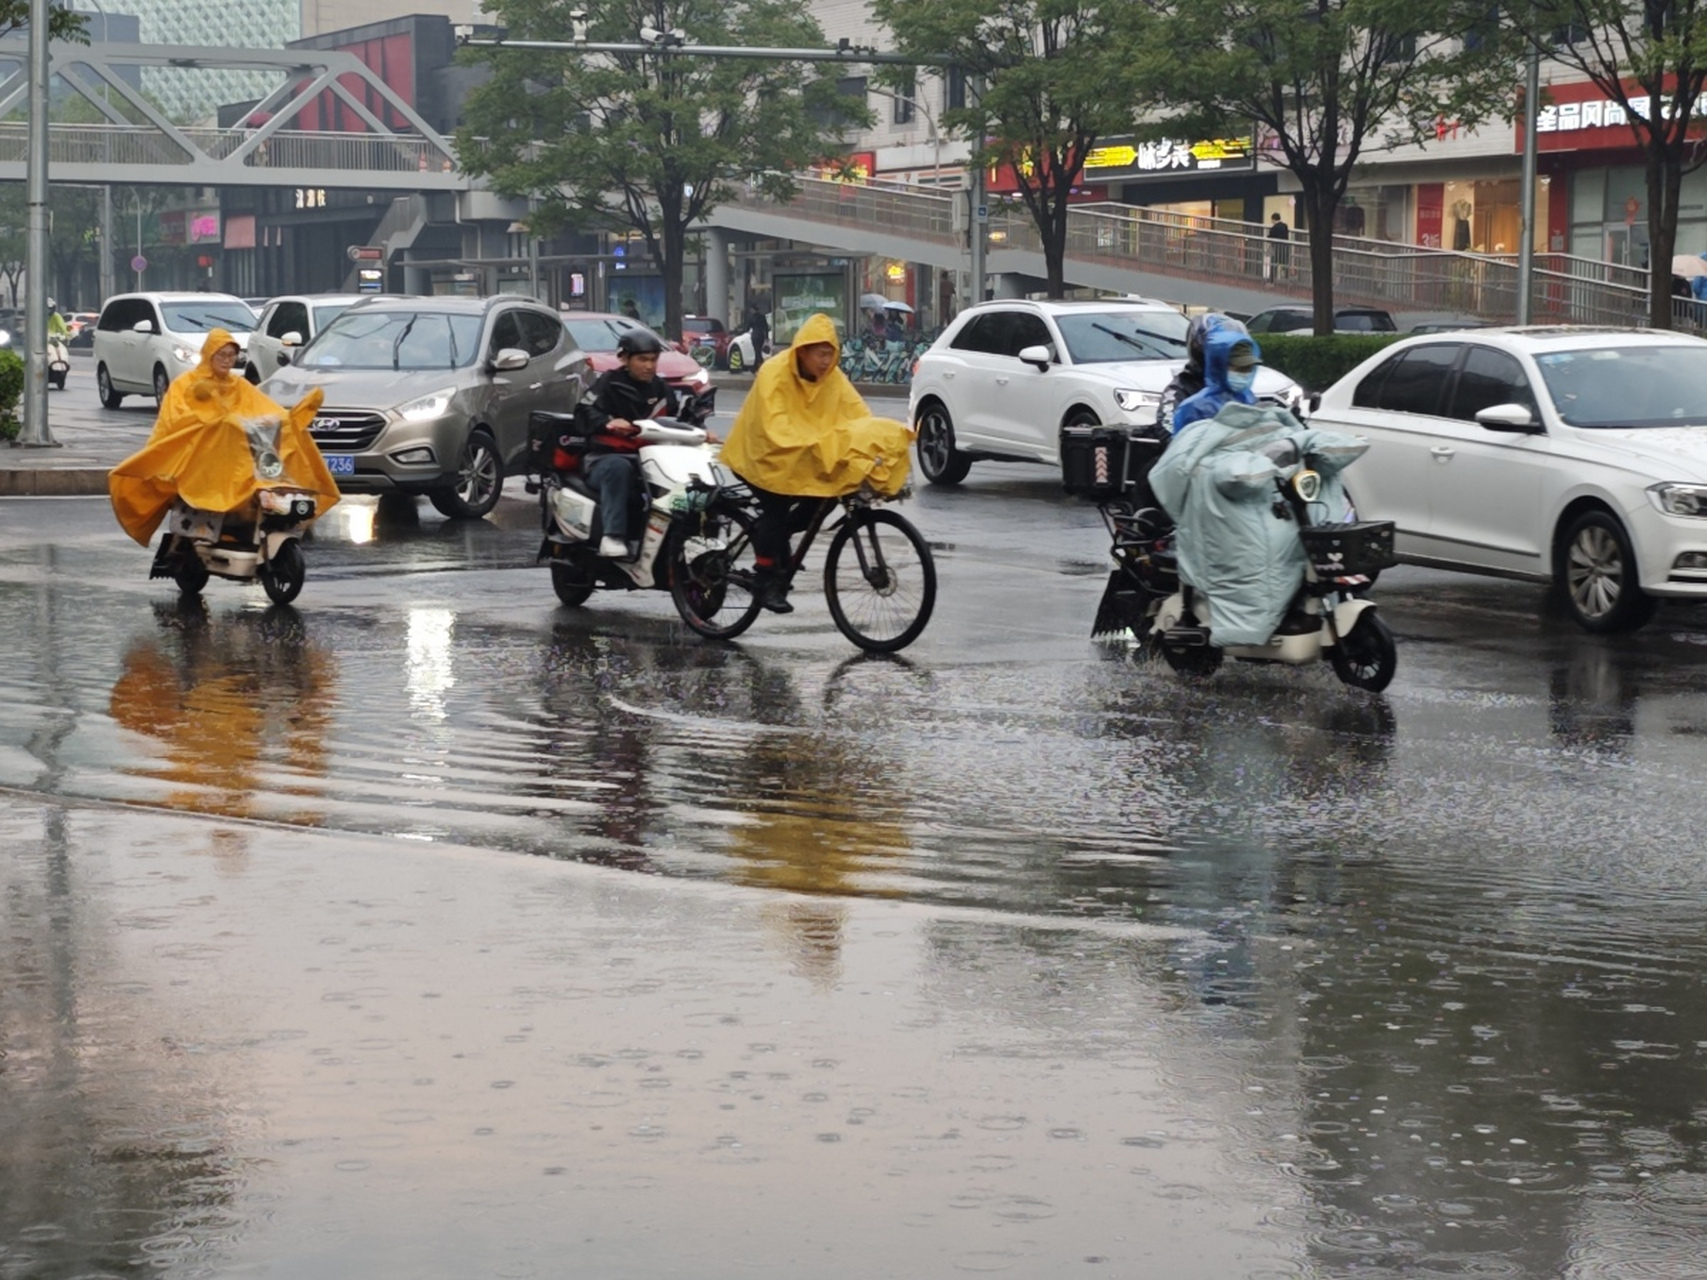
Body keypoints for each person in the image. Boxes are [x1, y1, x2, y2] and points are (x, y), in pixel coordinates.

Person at [719, 313, 913, 613]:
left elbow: (857, 414)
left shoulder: (832, 378)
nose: (826, 361)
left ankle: (776, 542)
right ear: (803, 350)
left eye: (830, 354)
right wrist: (820, 447)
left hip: (797, 458)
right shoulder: (774, 373)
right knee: (776, 508)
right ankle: (765, 580)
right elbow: (777, 429)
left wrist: (872, 440)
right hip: (758, 455)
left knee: (820, 499)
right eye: (820, 354)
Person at [109, 329, 339, 548]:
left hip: (239, 457)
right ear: (209, 353)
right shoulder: (185, 384)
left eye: (232, 355)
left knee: (278, 434)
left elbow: (264, 409)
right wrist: (215, 422)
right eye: (222, 354)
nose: (228, 360)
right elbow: (176, 421)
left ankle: (271, 493)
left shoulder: (238, 384)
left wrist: (288, 419)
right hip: (199, 459)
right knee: (229, 427)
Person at [579, 328, 679, 559]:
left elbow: (678, 419)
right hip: (604, 460)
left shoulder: (661, 389)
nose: (649, 366)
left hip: (649, 461)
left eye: (653, 360)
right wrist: (608, 422)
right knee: (618, 468)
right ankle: (613, 536)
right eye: (642, 359)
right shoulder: (608, 383)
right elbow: (583, 412)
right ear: (624, 358)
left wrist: (700, 430)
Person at [1157, 313, 1247, 431]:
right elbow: (1167, 427)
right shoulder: (1178, 390)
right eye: (1220, 352)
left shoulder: (1238, 390)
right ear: (1201, 352)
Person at [1172, 326, 1261, 436]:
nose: (1244, 374)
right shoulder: (1195, 407)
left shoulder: (1249, 399)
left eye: (1248, 368)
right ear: (1219, 367)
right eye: (1238, 368)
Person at [1267, 213, 1291, 279]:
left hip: (1276, 248)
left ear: (1273, 219)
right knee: (1285, 264)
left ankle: (1272, 279)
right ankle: (1286, 279)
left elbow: (1270, 237)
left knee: (1274, 264)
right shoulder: (1285, 226)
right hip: (1284, 248)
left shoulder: (1273, 228)